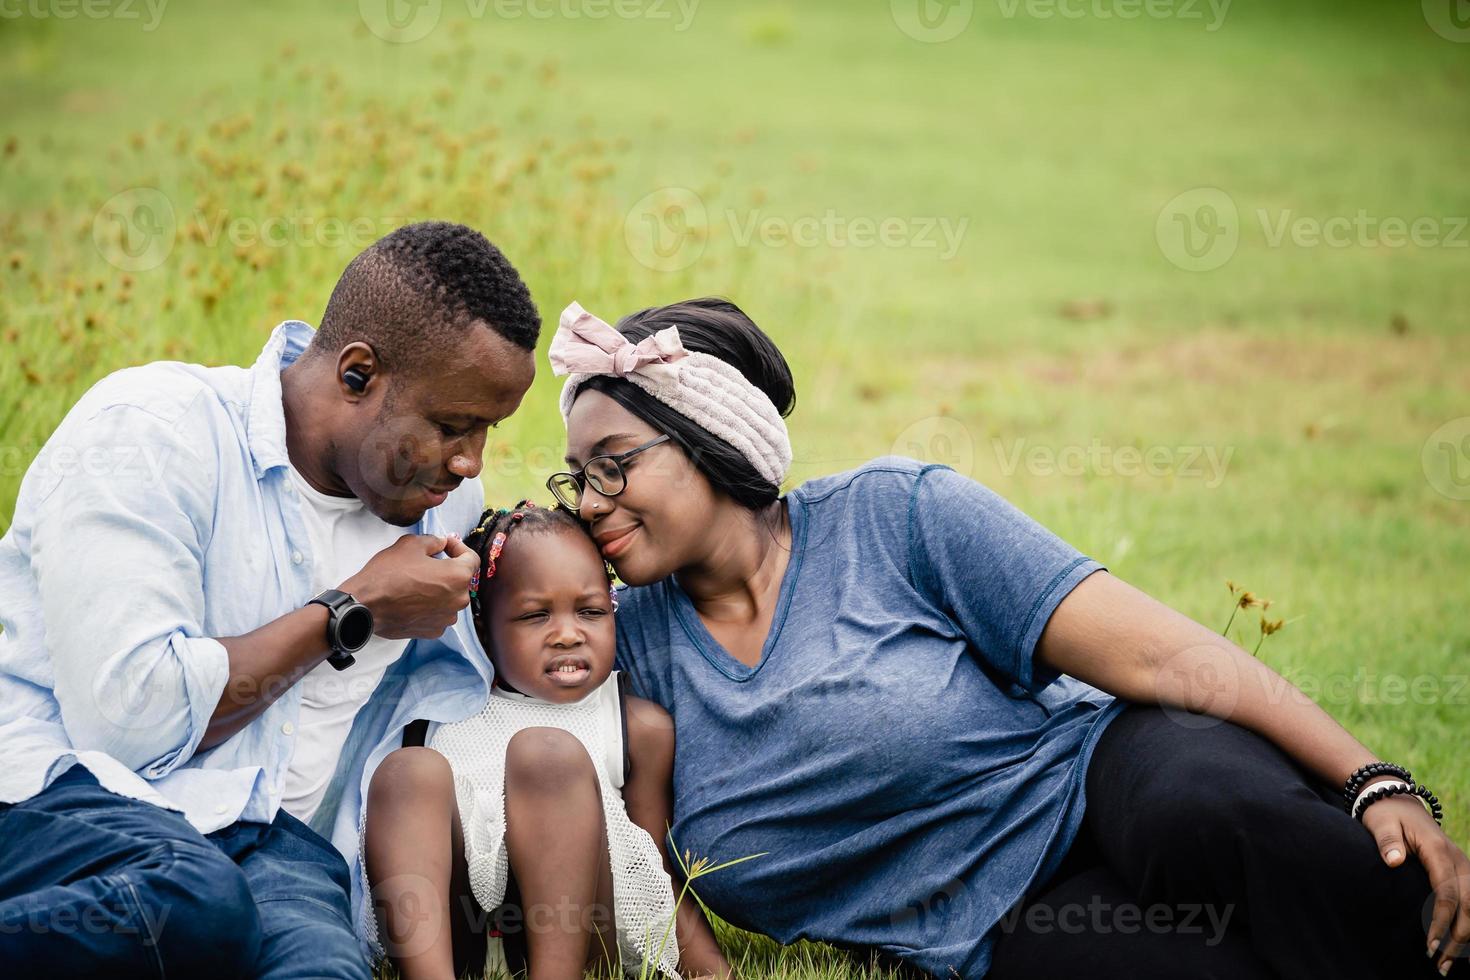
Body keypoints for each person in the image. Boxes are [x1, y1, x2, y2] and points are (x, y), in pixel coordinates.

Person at [544, 297, 1470, 979]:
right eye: (576, 479)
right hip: (997, 927)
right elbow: (618, 847)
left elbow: (1161, 654)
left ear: (710, 438)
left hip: (1101, 775)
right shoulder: (611, 650)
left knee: (1231, 826)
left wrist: (1371, 777)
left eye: (615, 467)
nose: (592, 504)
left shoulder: (895, 516)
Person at [0, 221, 540, 979]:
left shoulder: (442, 506)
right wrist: (350, 610)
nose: (470, 460)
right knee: (195, 900)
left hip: (272, 847)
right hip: (63, 802)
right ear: (358, 374)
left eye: (487, 430)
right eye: (452, 425)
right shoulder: (151, 431)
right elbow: (127, 725)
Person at [363, 500, 731, 980]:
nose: (567, 634)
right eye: (536, 616)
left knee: (546, 754)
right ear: (482, 628)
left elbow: (654, 869)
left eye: (591, 611)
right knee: (406, 771)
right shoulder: (440, 713)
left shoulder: (637, 726)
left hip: (585, 937)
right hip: (460, 940)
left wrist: (711, 969)